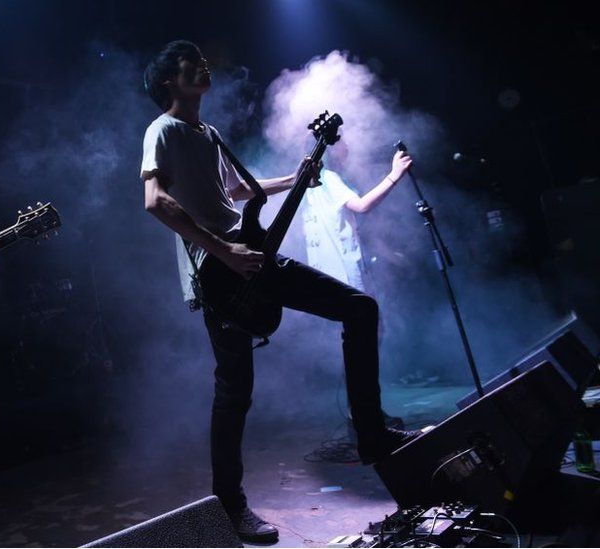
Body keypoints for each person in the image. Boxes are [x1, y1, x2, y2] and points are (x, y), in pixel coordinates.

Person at [140, 40, 419, 544]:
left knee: (359, 308)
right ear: (168, 81)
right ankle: (230, 506)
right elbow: (155, 200)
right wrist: (223, 251)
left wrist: (296, 178)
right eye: (189, 61)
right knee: (234, 393)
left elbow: (238, 191)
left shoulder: (209, 133)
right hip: (219, 272)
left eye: (202, 58)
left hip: (253, 255)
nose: (202, 64)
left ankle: (372, 434)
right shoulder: (163, 130)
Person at [300, 140, 413, 292]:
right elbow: (362, 206)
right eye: (340, 140)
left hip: (323, 275)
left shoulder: (308, 184)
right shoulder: (328, 178)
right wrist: (395, 174)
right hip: (344, 275)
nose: (347, 145)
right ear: (329, 149)